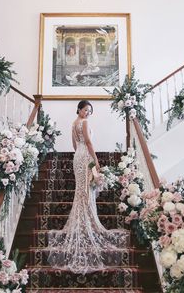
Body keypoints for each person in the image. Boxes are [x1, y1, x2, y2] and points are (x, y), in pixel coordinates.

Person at [47, 100, 130, 274]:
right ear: (79, 109)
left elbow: (73, 144)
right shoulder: (84, 123)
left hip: (78, 156)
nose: (88, 113)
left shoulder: (73, 123)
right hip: (86, 157)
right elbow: (89, 143)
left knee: (82, 190)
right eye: (86, 109)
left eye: (90, 111)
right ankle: (87, 222)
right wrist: (96, 162)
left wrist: (81, 153)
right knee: (86, 190)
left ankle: (83, 221)